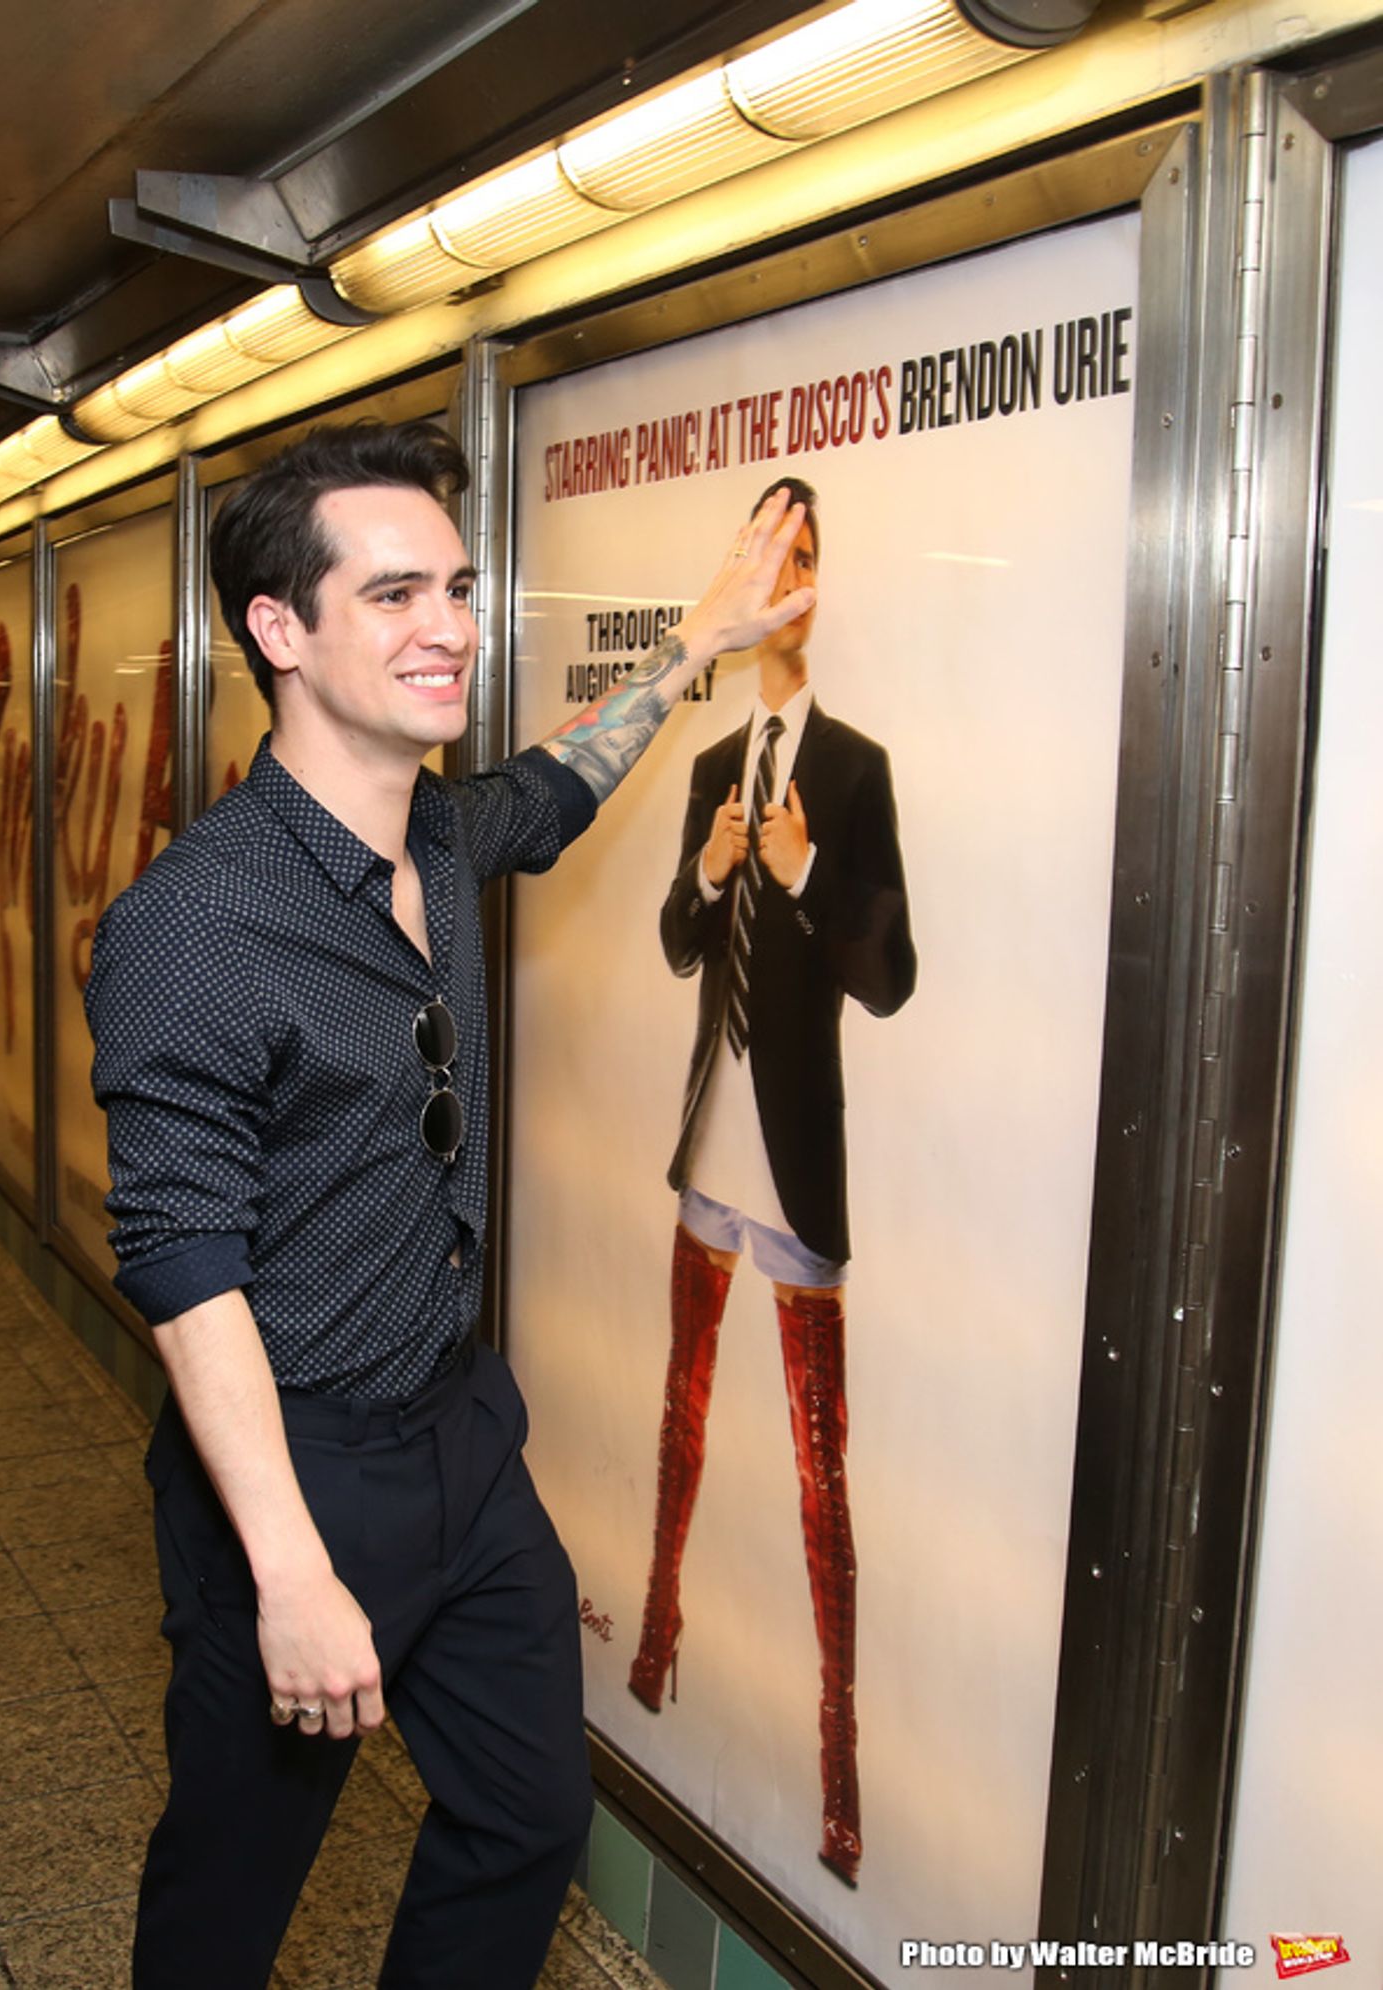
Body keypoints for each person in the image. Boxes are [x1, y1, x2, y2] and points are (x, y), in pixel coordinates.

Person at [84, 420, 813, 1990]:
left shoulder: (436, 827)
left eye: (462, 587)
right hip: (289, 1467)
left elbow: (556, 789)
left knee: (529, 1813)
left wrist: (705, 635)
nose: (453, 628)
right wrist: (288, 1574)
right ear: (280, 630)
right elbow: (184, 1265)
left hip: (464, 1441)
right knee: (226, 1901)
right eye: (397, 592)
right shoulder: (192, 926)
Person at [627, 477, 916, 1889]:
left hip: (797, 1175)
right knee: (679, 1416)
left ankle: (842, 1778)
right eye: (769, 555)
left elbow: (892, 977)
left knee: (821, 1478)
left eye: (809, 556)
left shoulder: (851, 771)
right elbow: (683, 943)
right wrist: (712, 863)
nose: (789, 579)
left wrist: (803, 875)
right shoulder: (708, 767)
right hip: (708, 1155)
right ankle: (656, 1641)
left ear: (823, 581)